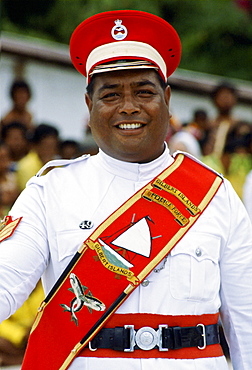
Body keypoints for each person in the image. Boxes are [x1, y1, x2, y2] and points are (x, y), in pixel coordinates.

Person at [0, 10, 251, 370]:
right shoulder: (51, 190)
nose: (129, 107)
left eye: (143, 91)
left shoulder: (216, 195)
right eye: (111, 95)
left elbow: (246, 324)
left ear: (166, 99)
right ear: (90, 106)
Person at [16, 123, 60, 191]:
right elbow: (31, 192)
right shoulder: (25, 166)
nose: (50, 151)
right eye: (46, 146)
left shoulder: (60, 164)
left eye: (53, 146)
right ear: (35, 145)